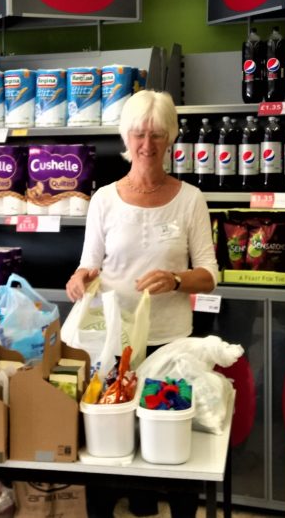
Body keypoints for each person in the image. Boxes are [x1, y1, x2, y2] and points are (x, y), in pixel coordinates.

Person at [66, 91, 218, 517]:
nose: (146, 144)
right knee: (108, 445)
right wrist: (79, 279)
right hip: (114, 344)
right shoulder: (104, 199)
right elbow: (88, 264)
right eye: (138, 134)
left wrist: (176, 280)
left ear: (171, 138)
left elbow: (209, 273)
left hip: (170, 343)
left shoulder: (190, 198)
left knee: (173, 445)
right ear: (125, 137)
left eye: (156, 135)